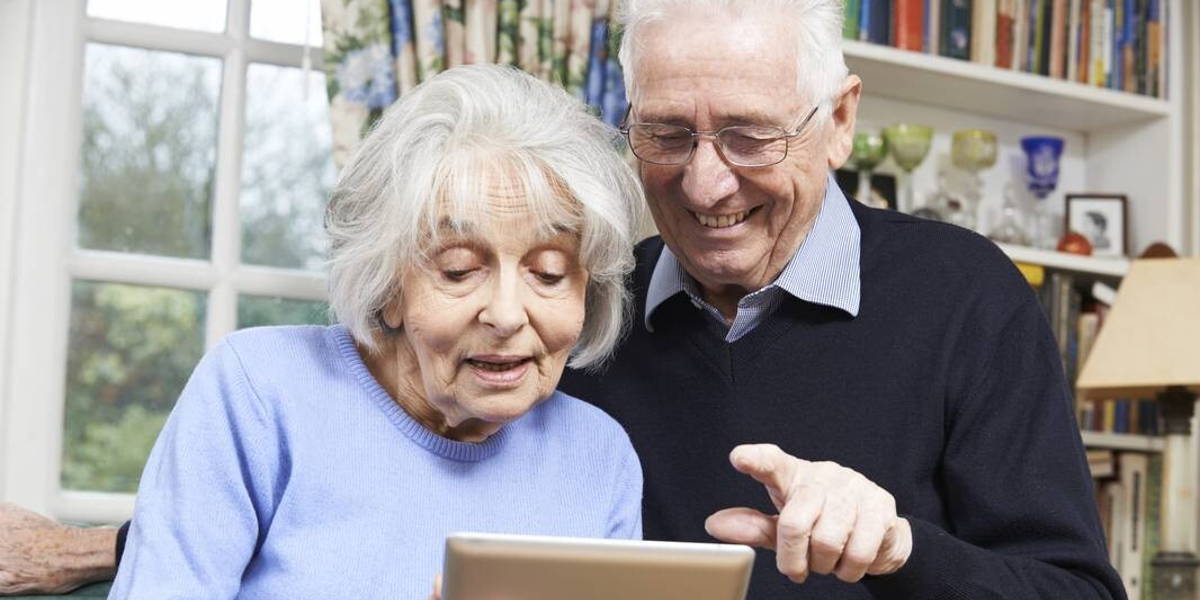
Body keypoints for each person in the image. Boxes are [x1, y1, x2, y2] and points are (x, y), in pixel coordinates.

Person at [0, 1, 1125, 598]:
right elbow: (361, 489)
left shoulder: (965, 298)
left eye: (748, 135)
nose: (705, 179)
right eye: (668, 134)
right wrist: (113, 549)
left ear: (838, 120)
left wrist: (900, 552)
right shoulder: (592, 331)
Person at [100, 63, 645, 598]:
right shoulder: (259, 391)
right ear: (387, 287)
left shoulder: (599, 455)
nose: (506, 314)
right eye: (458, 270)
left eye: (548, 272)